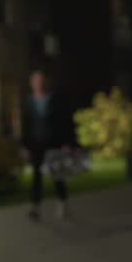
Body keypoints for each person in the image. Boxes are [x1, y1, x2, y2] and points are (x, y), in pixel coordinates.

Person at [20, 68, 79, 220]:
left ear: (45, 82)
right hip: (36, 144)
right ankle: (35, 207)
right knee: (36, 176)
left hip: (53, 143)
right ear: (31, 83)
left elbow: (64, 122)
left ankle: (62, 202)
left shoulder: (55, 100)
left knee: (57, 175)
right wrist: (24, 146)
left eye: (41, 81)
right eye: (35, 81)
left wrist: (67, 143)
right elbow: (25, 125)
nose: (38, 84)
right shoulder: (28, 102)